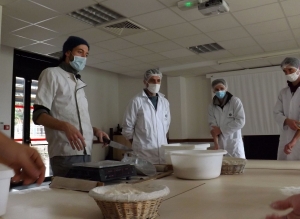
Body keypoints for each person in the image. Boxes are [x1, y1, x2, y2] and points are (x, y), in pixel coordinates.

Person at [33, 36, 109, 177]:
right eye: (80, 52)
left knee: (84, 197)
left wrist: (95, 130)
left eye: (86, 55)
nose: (83, 57)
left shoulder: (78, 83)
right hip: (65, 152)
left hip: (86, 152)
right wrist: (65, 126)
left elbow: (74, 118)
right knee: (67, 197)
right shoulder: (52, 74)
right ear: (67, 52)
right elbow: (38, 115)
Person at [121, 69, 171, 164]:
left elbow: (166, 125)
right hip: (143, 154)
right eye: (152, 80)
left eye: (158, 80)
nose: (156, 83)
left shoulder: (164, 102)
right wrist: (138, 145)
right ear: (145, 82)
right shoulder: (136, 101)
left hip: (162, 153)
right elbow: (127, 127)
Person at [208, 78, 246, 158]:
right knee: (222, 168)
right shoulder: (211, 106)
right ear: (213, 91)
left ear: (226, 88)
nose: (219, 91)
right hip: (220, 144)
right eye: (217, 89)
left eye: (222, 88)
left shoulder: (235, 101)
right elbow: (213, 127)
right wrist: (216, 145)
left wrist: (221, 129)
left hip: (234, 145)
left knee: (237, 168)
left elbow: (240, 121)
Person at [274, 57, 300, 160]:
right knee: (282, 171)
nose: (288, 73)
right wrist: (286, 121)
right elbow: (276, 113)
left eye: (290, 70)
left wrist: (294, 141)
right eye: (285, 71)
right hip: (285, 138)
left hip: (297, 140)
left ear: (299, 69)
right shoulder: (283, 93)